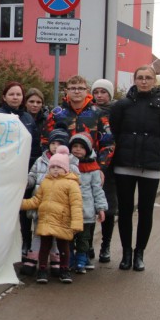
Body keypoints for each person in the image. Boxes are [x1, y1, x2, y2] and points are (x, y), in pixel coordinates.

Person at [43, 75, 114, 261]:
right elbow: (46, 140)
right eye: (72, 87)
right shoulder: (57, 113)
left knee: (88, 212)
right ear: (66, 90)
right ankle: (66, 253)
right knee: (65, 210)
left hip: (89, 170)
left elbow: (108, 143)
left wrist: (101, 167)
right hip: (63, 172)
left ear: (86, 91)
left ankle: (86, 248)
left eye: (80, 88)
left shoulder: (98, 113)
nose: (76, 91)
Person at [109, 66, 160, 272]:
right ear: (134, 80)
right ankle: (126, 253)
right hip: (124, 165)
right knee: (125, 211)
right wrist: (123, 152)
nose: (144, 81)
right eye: (140, 78)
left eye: (148, 78)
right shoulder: (122, 105)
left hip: (150, 167)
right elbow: (115, 131)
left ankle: (139, 254)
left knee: (146, 212)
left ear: (155, 81)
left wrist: (153, 154)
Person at [20, 124, 78, 277]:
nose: (55, 146)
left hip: (60, 211)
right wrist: (27, 182)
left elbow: (76, 189)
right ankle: (33, 259)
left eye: (59, 144)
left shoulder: (71, 163)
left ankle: (56, 261)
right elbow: (33, 175)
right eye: (53, 143)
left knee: (56, 239)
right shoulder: (41, 159)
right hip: (42, 207)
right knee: (40, 234)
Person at [0, 81, 40, 256]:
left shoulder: (27, 118)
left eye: (18, 94)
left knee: (24, 211)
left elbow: (35, 146)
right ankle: (2, 246)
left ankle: (25, 243)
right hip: (4, 173)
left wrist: (32, 171)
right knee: (4, 212)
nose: (15, 97)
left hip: (24, 173)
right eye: (11, 94)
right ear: (4, 97)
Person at [68, 132, 107, 274]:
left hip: (86, 211)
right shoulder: (65, 164)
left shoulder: (93, 169)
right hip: (69, 211)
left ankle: (81, 259)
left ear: (88, 150)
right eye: (75, 146)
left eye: (81, 147)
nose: (77, 149)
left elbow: (97, 190)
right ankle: (69, 259)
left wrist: (101, 208)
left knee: (84, 239)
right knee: (69, 238)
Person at [90, 78, 117, 263]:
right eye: (96, 92)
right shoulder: (88, 112)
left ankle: (105, 245)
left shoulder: (117, 112)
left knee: (107, 207)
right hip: (89, 166)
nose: (99, 96)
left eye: (103, 92)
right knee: (88, 207)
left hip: (110, 166)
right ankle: (87, 245)